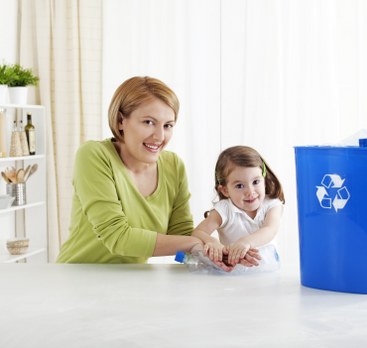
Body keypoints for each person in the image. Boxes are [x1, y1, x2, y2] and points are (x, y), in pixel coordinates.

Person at [57, 76, 204, 263]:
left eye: (167, 125)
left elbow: (181, 235)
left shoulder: (173, 165)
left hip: (133, 283)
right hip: (79, 280)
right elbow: (117, 237)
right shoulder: (94, 155)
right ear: (120, 121)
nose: (159, 136)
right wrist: (196, 243)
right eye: (148, 122)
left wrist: (214, 244)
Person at [192, 145, 285, 269]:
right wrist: (212, 242)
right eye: (240, 186)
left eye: (256, 182)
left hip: (270, 273)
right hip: (234, 275)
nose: (250, 192)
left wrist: (245, 242)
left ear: (264, 179)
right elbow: (197, 233)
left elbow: (270, 230)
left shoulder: (271, 204)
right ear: (225, 190)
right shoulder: (224, 209)